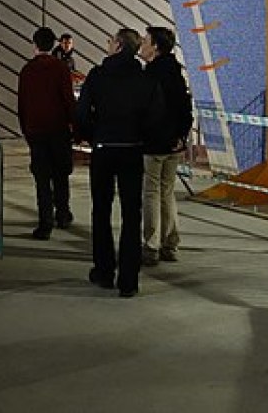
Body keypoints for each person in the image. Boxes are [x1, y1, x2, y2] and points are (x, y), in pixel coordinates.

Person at [76, 27, 165, 298]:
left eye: (110, 40)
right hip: (132, 150)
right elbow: (156, 118)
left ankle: (104, 271)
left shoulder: (98, 76)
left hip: (104, 149)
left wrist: (93, 136)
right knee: (131, 214)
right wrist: (141, 139)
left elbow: (81, 113)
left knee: (101, 211)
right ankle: (129, 279)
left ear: (117, 46)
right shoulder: (145, 79)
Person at [140, 26, 194, 266]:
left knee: (151, 192)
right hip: (174, 143)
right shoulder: (176, 73)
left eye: (146, 41)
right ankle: (170, 243)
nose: (142, 44)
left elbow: (145, 110)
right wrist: (181, 135)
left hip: (154, 143)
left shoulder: (151, 74)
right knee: (167, 191)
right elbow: (185, 107)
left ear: (156, 47)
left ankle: (151, 245)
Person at [17, 26, 77, 240]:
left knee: (42, 178)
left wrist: (26, 130)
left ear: (34, 45)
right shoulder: (60, 68)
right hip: (58, 129)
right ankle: (63, 214)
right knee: (61, 174)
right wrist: (74, 125)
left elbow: (22, 103)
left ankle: (45, 223)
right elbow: (68, 99)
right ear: (54, 44)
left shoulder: (27, 70)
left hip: (36, 131)